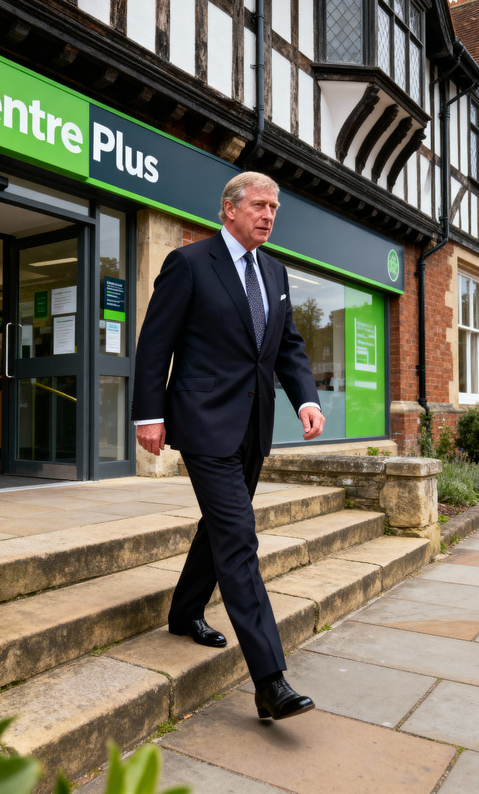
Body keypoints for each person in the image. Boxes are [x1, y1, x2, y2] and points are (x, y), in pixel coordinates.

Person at [132, 172, 326, 721]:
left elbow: (287, 345)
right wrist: (150, 415)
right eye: (260, 205)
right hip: (201, 422)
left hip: (253, 424)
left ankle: (184, 610)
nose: (269, 215)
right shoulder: (189, 264)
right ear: (229, 209)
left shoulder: (275, 270)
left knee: (221, 524)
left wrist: (305, 400)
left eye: (275, 207)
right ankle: (270, 679)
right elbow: (155, 342)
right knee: (239, 536)